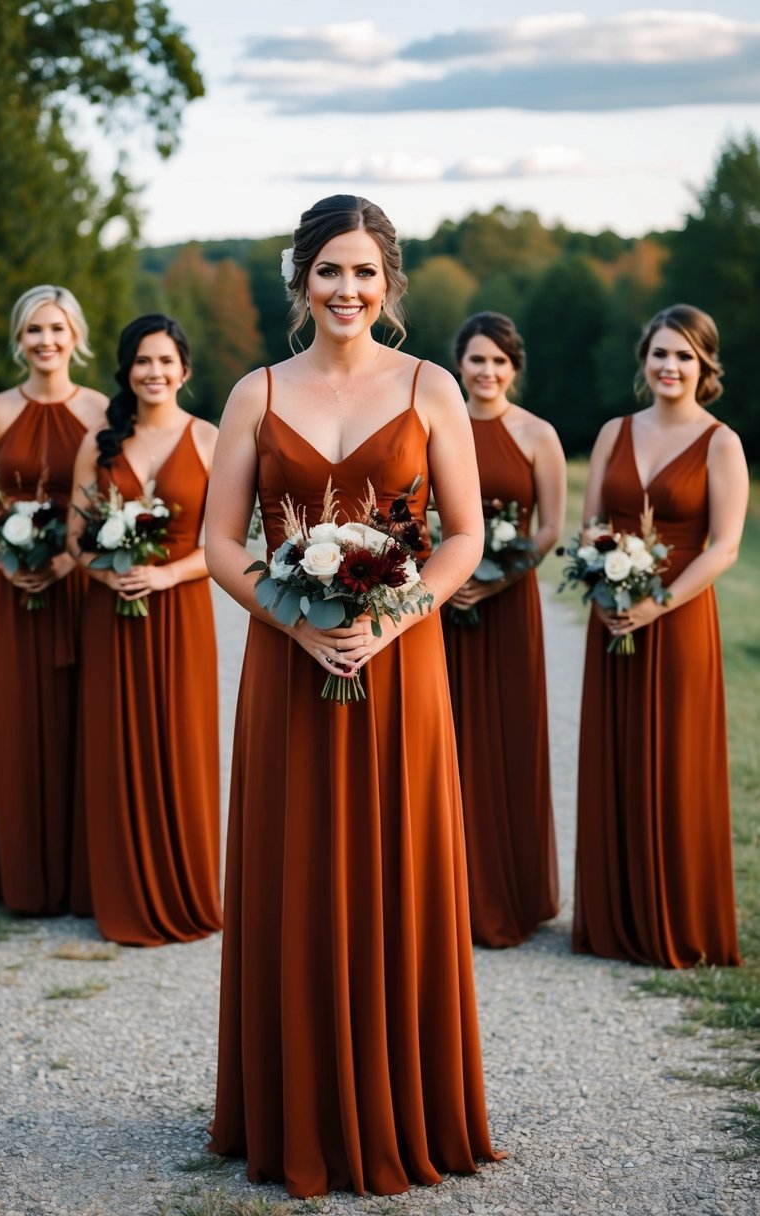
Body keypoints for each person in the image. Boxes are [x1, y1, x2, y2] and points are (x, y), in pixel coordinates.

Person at [205, 196, 503, 1198]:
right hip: (288, 667)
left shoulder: (429, 387)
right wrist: (297, 621)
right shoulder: (255, 392)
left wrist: (390, 618)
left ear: (389, 284)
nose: (345, 289)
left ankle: (401, 1101)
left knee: (396, 862)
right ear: (300, 280)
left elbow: (462, 535)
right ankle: (290, 1106)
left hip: (401, 662)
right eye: (328, 271)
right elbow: (216, 543)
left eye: (363, 272)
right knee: (295, 868)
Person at [574, 303, 748, 967]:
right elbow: (591, 525)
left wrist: (656, 605)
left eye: (684, 356)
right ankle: (612, 918)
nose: (669, 366)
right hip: (609, 612)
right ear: (643, 361)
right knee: (615, 752)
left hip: (677, 623)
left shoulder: (720, 443)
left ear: (704, 366)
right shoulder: (614, 431)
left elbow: (725, 547)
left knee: (674, 762)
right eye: (659, 353)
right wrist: (604, 588)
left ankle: (675, 919)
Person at [68, 315, 222, 946]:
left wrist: (163, 578)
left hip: (181, 613)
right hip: (110, 615)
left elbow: (225, 545)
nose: (153, 373)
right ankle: (121, 889)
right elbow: (78, 539)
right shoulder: (98, 443)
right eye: (141, 362)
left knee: (182, 745)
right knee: (114, 743)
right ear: (125, 372)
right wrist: (106, 577)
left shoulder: (212, 439)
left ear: (184, 370)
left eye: (165, 361)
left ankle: (187, 888)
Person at [0, 285, 107, 914]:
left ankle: (78, 877)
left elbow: (108, 504)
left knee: (80, 722)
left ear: (76, 336)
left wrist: (70, 559)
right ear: (19, 340)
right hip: (9, 587)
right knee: (16, 721)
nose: (46, 342)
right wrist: (0, 553)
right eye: (33, 332)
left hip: (76, 586)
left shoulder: (104, 411)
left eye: (56, 330)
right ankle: (18, 873)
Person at [443, 312, 565, 947]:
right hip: (443, 608)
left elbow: (548, 527)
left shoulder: (538, 434)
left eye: (499, 361)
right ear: (459, 362)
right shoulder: (437, 424)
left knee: (511, 739)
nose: (487, 372)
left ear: (514, 367)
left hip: (510, 604)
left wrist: (496, 578)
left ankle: (511, 890)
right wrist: (448, 573)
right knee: (449, 741)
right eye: (476, 359)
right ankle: (447, 894)